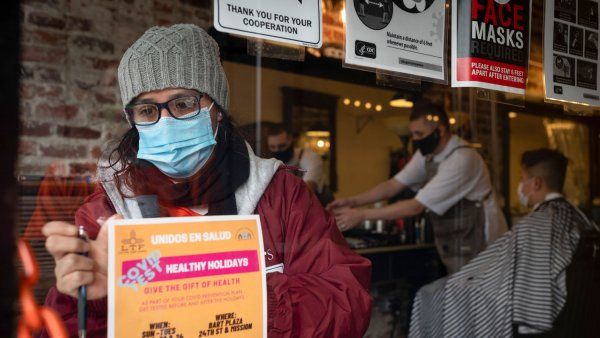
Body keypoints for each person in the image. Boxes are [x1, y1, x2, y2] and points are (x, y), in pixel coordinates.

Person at [40, 24, 372, 338]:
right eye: (147, 111)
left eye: (183, 104)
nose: (166, 121)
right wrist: (92, 300)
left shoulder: (282, 194)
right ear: (133, 120)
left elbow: (346, 299)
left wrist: (229, 298)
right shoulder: (107, 211)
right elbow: (61, 325)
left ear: (217, 108)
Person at [409, 148, 600, 337]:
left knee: (431, 296)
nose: (520, 185)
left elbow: (512, 283)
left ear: (536, 183)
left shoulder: (538, 225)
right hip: (579, 321)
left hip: (548, 327)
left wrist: (456, 286)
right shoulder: (583, 221)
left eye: (522, 179)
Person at [328, 101, 507, 273]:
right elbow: (393, 185)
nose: (415, 140)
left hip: (479, 234)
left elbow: (416, 206)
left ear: (441, 130)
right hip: (455, 233)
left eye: (419, 134)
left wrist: (362, 215)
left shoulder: (461, 159)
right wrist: (353, 201)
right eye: (412, 134)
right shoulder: (427, 154)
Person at [267, 124, 324, 194]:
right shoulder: (269, 164)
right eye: (272, 147)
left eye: (282, 146)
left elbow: (307, 190)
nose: (277, 150)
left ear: (291, 140)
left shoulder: (310, 157)